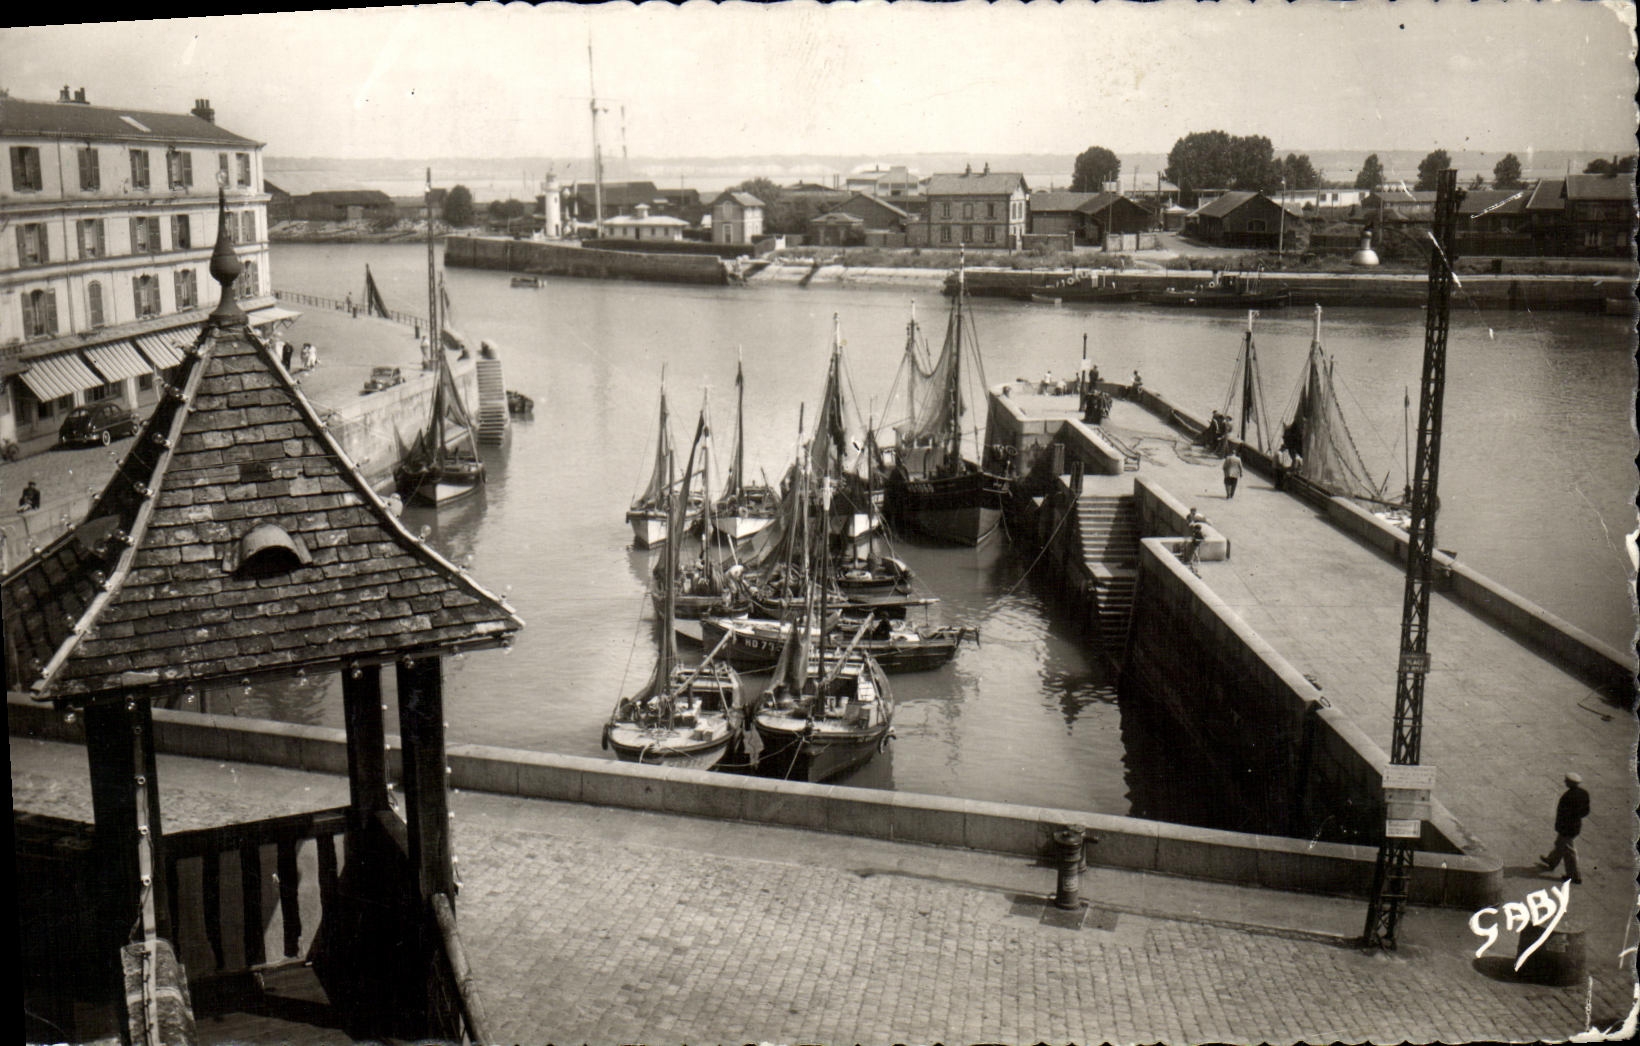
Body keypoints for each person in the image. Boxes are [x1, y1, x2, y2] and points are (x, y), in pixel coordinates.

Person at [1539, 772, 1589, 884]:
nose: (1565, 782)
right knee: (1560, 844)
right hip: (1575, 826)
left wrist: (1561, 825)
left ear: (1570, 783)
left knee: (1569, 851)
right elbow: (1585, 811)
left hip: (1567, 828)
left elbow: (1563, 814)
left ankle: (1575, 876)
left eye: (1566, 781)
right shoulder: (1584, 793)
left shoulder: (1568, 796)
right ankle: (1552, 860)